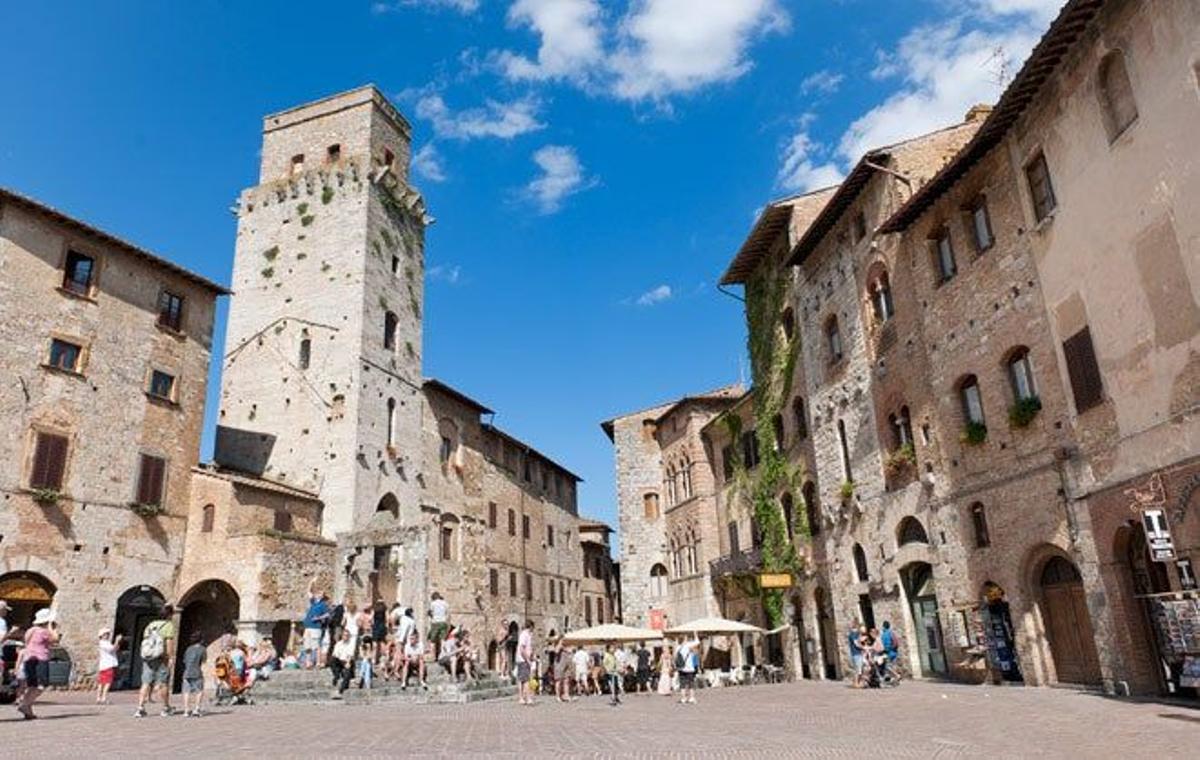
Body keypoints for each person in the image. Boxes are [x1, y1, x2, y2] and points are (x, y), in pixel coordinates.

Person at [135, 603, 177, 717]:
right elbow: (169, 644)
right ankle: (165, 707)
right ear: (170, 615)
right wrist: (170, 658)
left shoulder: (150, 625)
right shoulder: (168, 625)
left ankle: (140, 707)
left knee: (146, 682)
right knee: (163, 683)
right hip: (161, 657)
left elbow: (145, 641)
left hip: (148, 657)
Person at [16, 608, 59, 719]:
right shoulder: (43, 631)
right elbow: (55, 639)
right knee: (42, 683)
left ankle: (28, 710)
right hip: (40, 658)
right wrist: (51, 627)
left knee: (32, 684)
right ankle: (25, 704)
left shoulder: (30, 630)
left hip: (28, 658)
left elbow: (26, 641)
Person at [301, 580, 329, 669]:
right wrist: (312, 582)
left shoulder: (323, 604)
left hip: (316, 627)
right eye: (317, 593)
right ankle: (308, 662)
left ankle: (318, 662)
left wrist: (318, 618)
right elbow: (309, 591)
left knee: (316, 646)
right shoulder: (313, 602)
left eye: (320, 593)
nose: (318, 594)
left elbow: (327, 614)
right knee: (307, 645)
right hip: (308, 626)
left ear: (322, 595)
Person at [181, 631, 207, 717]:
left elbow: (184, 661)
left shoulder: (188, 649)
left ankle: (186, 710)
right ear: (201, 640)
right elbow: (203, 662)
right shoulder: (202, 649)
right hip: (197, 672)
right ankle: (196, 709)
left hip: (187, 672)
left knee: (186, 691)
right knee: (199, 691)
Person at [96, 628, 122, 704]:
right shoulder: (104, 643)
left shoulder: (106, 643)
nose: (108, 635)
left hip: (104, 665)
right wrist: (117, 640)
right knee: (107, 682)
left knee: (102, 682)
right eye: (106, 634)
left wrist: (117, 644)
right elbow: (112, 649)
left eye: (108, 634)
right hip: (107, 665)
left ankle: (99, 698)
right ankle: (103, 698)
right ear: (102, 635)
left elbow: (115, 648)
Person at [330, 628, 355, 697]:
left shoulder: (351, 643)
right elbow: (335, 654)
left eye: (347, 635)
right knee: (332, 660)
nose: (345, 637)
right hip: (340, 661)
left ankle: (340, 690)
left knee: (347, 671)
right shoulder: (338, 644)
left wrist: (347, 663)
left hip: (348, 661)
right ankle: (337, 675)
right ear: (342, 636)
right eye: (344, 635)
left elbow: (351, 655)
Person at [515, 620, 535, 706]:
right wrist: (528, 660)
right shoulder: (524, 635)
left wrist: (532, 656)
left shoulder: (527, 635)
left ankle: (522, 698)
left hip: (523, 659)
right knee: (525, 680)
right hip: (523, 660)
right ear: (530, 627)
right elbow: (522, 649)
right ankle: (527, 698)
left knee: (522, 680)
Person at [675, 639, 699, 705]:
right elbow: (697, 642)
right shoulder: (687, 646)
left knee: (682, 684)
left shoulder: (678, 648)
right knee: (691, 684)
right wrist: (695, 634)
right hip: (690, 669)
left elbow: (675, 657)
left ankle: (683, 698)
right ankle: (691, 698)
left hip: (681, 668)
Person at [428, 592, 450, 658]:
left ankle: (433, 655)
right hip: (443, 622)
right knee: (443, 639)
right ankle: (442, 654)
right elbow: (448, 613)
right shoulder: (445, 603)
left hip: (435, 622)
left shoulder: (433, 603)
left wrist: (431, 616)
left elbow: (431, 612)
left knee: (433, 640)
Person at [847, 622, 863, 688]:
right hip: (856, 653)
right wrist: (863, 647)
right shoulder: (854, 634)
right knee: (858, 669)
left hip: (855, 653)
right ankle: (856, 683)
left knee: (858, 669)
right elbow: (856, 643)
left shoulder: (853, 634)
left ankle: (858, 682)